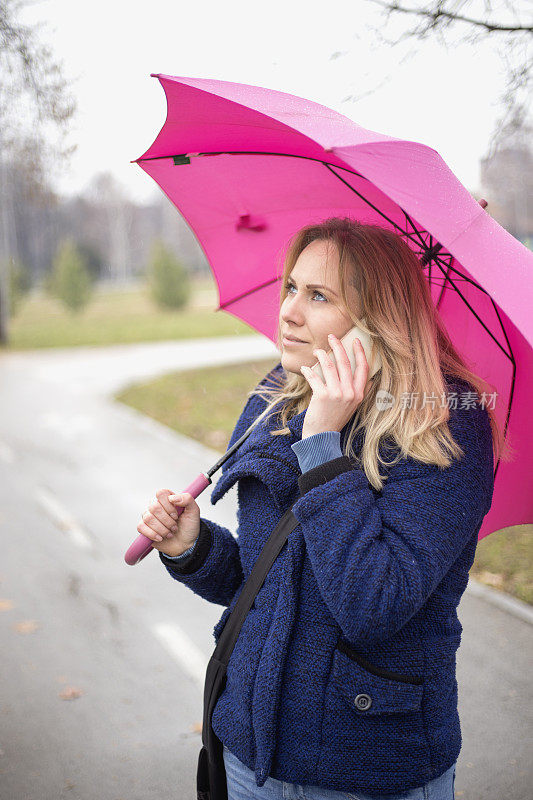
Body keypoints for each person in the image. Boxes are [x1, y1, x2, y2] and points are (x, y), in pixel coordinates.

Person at [136, 218, 507, 800]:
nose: (288, 311)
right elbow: (266, 587)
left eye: (319, 296)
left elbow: (373, 606)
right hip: (247, 751)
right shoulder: (277, 398)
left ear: (374, 323)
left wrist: (324, 447)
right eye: (291, 287)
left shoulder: (444, 423)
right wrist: (194, 549)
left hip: (366, 773)